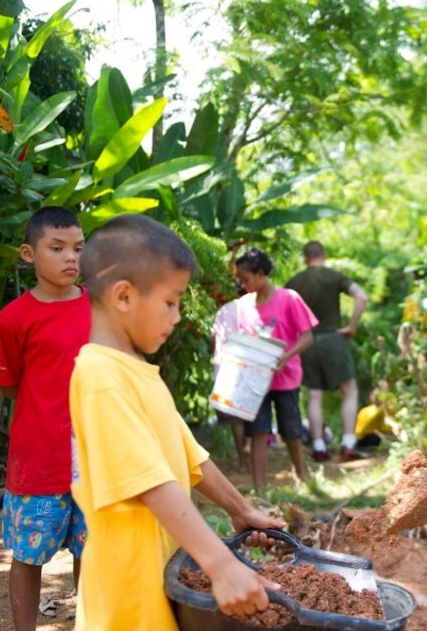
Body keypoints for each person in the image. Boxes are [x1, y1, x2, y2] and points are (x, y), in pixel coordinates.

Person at [69, 214, 285, 630]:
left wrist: (240, 510)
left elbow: (188, 456)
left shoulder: (137, 370)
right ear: (124, 296)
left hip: (160, 576)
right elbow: (150, 482)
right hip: (127, 597)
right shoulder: (100, 376)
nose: (177, 315)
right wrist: (221, 564)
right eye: (171, 301)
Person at [0, 207, 90, 631]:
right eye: (57, 247)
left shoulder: (101, 308)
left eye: (78, 249)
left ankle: (90, 622)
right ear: (29, 254)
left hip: (97, 459)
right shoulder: (12, 320)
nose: (71, 258)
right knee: (28, 556)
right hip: (36, 461)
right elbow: (11, 387)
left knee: (92, 552)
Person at [234, 248, 316, 489]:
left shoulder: (289, 298)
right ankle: (259, 487)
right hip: (256, 380)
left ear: (261, 274)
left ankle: (300, 474)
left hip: (286, 378)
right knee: (258, 431)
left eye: (245, 278)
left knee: (290, 429)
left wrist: (286, 356)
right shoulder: (244, 304)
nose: (242, 284)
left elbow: (308, 336)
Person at [285, 241, 370, 461]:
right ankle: (348, 444)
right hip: (334, 338)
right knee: (349, 391)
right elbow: (362, 297)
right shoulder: (335, 276)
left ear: (305, 257)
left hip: (308, 342)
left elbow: (285, 313)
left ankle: (319, 446)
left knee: (314, 395)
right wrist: (351, 326)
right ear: (324, 254)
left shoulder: (295, 282)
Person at [210, 292, 256, 472]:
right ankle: (250, 449)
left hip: (226, 369)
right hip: (251, 369)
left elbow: (214, 340)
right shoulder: (254, 310)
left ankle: (243, 462)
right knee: (251, 415)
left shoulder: (224, 309)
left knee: (236, 420)